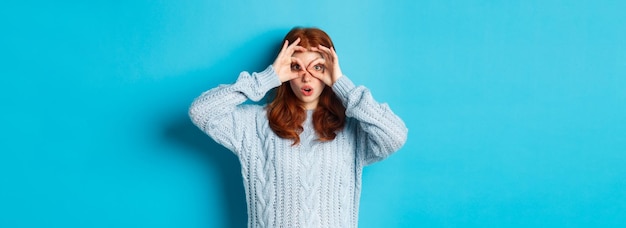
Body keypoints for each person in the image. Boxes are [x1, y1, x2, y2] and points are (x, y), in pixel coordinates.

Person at [189, 27, 408, 228]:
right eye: (296, 67)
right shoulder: (255, 124)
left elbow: (395, 135)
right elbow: (201, 111)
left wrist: (342, 83)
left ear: (329, 70)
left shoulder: (352, 130)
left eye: (317, 67)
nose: (306, 77)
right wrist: (267, 78)